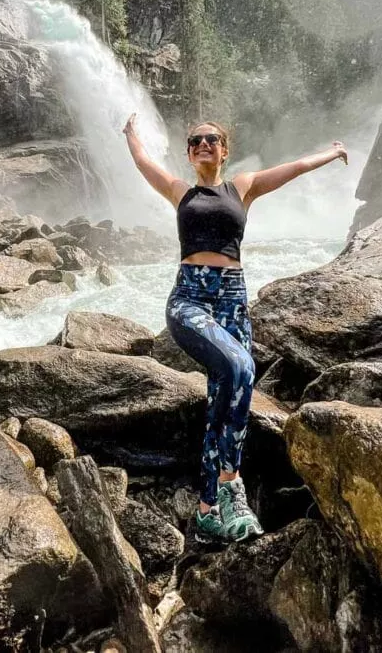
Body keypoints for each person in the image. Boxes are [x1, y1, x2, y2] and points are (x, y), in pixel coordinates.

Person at [123, 114, 348, 544]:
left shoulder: (241, 187)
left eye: (211, 139)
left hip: (232, 299)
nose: (203, 144)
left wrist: (332, 152)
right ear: (189, 153)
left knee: (222, 398)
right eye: (195, 141)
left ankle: (207, 511)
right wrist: (131, 134)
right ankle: (232, 487)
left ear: (224, 149)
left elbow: (296, 168)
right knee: (242, 365)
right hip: (189, 298)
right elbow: (141, 162)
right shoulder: (179, 191)